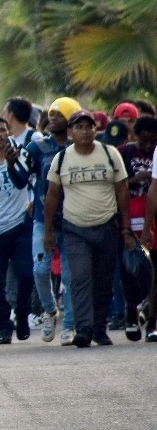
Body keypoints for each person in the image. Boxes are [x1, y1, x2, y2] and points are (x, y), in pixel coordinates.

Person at [44, 110, 133, 347]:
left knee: (103, 280)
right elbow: (52, 196)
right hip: (75, 228)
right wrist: (48, 231)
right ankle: (83, 328)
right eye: (79, 127)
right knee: (80, 277)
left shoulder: (109, 153)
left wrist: (125, 228)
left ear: (96, 130)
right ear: (71, 132)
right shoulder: (62, 159)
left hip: (106, 226)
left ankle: (99, 328)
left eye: (88, 126)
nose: (84, 131)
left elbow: (122, 191)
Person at [9, 97, 79, 345]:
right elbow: (19, 180)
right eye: (50, 114)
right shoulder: (38, 147)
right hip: (42, 219)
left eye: (59, 115)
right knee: (40, 269)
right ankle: (50, 310)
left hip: (72, 220)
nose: (52, 119)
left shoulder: (77, 148)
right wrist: (10, 163)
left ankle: (69, 325)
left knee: (70, 276)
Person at [0, 115, 33, 344]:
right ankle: (4, 326)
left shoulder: (20, 154)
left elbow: (23, 182)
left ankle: (22, 315)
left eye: (3, 130)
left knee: (25, 276)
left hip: (20, 225)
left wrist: (12, 165)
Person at [115, 115, 157, 339]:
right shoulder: (124, 153)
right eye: (144, 142)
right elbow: (115, 185)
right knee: (130, 268)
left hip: (153, 218)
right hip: (129, 216)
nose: (149, 146)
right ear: (134, 137)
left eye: (153, 142)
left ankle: (152, 321)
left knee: (154, 270)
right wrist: (135, 179)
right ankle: (130, 314)